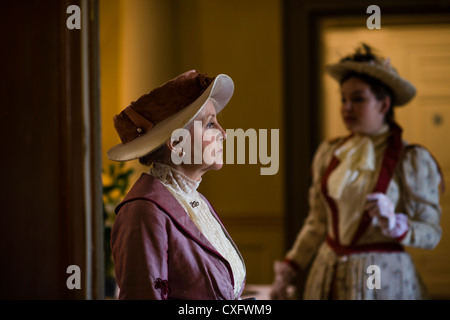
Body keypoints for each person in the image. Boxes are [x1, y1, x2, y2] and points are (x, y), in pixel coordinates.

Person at [271, 44, 445, 300]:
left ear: (384, 104)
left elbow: (432, 233)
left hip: (383, 278)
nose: (346, 107)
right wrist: (289, 268)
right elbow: (317, 223)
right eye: (343, 99)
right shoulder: (330, 152)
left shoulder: (412, 159)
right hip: (328, 273)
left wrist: (396, 224)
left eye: (358, 99)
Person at [108, 70, 246, 300]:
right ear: (177, 143)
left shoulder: (193, 200)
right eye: (210, 124)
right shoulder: (143, 211)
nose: (223, 133)